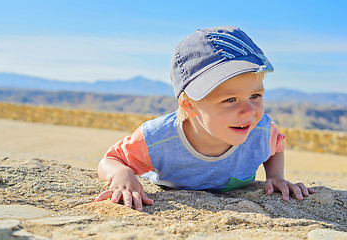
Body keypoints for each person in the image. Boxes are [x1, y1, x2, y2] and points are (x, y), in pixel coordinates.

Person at [95, 26, 316, 211]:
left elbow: (276, 145)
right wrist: (122, 173)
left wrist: (275, 175)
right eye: (230, 99)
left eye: (255, 96)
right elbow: (111, 160)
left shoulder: (260, 129)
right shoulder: (157, 139)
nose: (249, 111)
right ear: (189, 105)